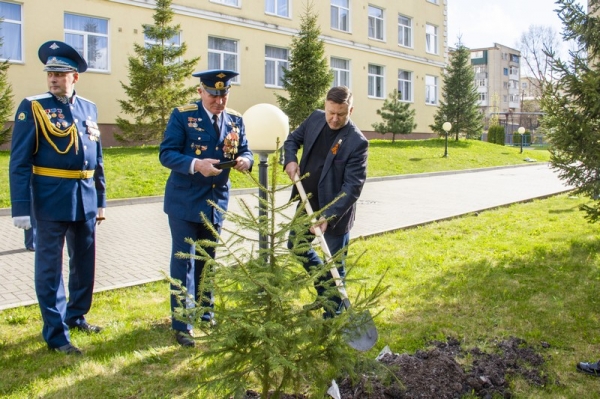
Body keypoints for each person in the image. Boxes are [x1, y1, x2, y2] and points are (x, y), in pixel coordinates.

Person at [9, 40, 106, 355]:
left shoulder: (88, 107)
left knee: (84, 264)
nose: (53, 78)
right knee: (50, 270)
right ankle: (56, 333)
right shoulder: (33, 106)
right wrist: (22, 209)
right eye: (50, 72)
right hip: (50, 200)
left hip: (85, 199)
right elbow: (19, 163)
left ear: (74, 76)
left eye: (60, 73)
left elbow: (97, 158)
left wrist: (101, 200)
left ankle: (76, 315)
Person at [159, 69, 253, 347]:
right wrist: (195, 165)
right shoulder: (182, 115)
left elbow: (244, 149)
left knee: (208, 259)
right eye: (213, 95)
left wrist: (245, 160)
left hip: (215, 200)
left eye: (223, 95)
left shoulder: (235, 119)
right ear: (201, 91)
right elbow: (166, 153)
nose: (219, 101)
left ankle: (205, 312)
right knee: (184, 259)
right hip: (184, 199)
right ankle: (182, 322)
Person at [283, 86, 368, 319]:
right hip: (307, 203)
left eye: (341, 114)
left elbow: (352, 188)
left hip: (335, 214)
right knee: (296, 246)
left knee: (334, 264)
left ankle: (333, 314)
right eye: (330, 112)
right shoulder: (314, 119)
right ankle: (325, 292)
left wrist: (327, 216)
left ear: (351, 110)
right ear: (325, 106)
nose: (334, 118)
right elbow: (292, 140)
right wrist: (290, 160)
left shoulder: (357, 143)